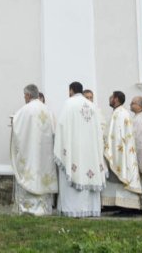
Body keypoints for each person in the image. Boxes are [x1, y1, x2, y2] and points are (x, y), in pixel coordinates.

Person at [53, 81, 104, 218]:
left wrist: (60, 145)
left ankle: (73, 209)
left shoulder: (69, 104)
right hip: (90, 152)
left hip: (74, 150)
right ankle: (91, 209)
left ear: (71, 90)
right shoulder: (92, 106)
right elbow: (99, 132)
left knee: (72, 170)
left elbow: (61, 126)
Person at [9, 83, 57, 216]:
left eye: (25, 95)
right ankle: (44, 209)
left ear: (28, 95)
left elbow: (16, 128)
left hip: (29, 153)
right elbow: (54, 131)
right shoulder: (48, 111)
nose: (24, 98)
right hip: (44, 155)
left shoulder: (24, 111)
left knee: (29, 174)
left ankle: (27, 208)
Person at [101, 90, 142, 212]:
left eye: (111, 97)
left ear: (115, 99)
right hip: (122, 151)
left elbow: (116, 135)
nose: (109, 99)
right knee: (116, 177)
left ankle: (127, 206)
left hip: (120, 151)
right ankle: (116, 203)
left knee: (121, 174)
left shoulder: (119, 113)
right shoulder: (121, 112)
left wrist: (107, 146)